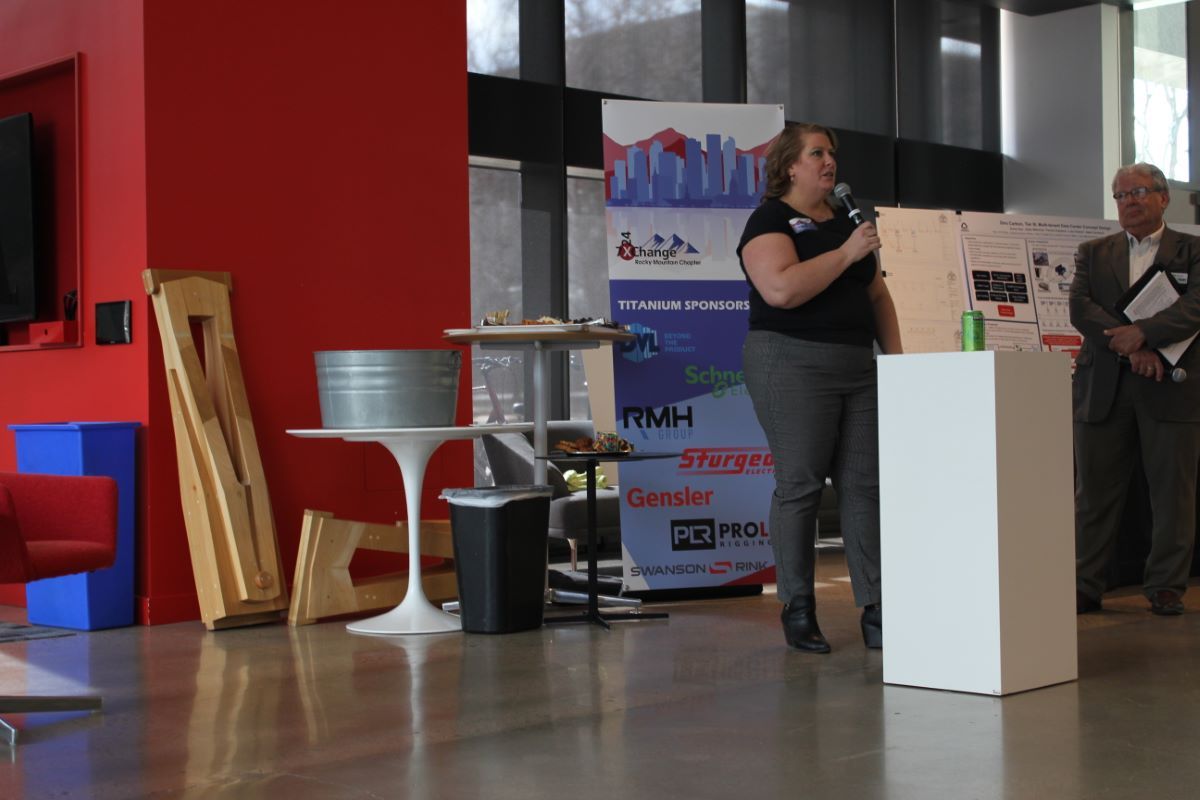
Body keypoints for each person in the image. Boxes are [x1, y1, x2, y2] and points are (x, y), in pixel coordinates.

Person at [738, 122, 902, 653]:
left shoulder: (845, 220)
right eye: (816, 153)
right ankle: (798, 607)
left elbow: (877, 297)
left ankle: (878, 609)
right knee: (801, 485)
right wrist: (848, 253)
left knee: (864, 486)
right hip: (791, 362)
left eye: (831, 153)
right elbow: (781, 289)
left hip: (858, 366)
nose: (829, 161)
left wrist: (898, 365)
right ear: (790, 165)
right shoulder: (770, 219)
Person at [1071, 163, 1200, 617]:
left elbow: (1195, 307)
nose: (1129, 201)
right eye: (1121, 195)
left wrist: (1143, 334)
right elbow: (1081, 309)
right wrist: (1133, 346)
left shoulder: (1192, 250)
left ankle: (1166, 586)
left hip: (1171, 388)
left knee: (1172, 493)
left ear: (1164, 197)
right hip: (1104, 388)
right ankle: (1084, 584)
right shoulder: (1092, 252)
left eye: (1139, 192)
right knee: (1094, 494)